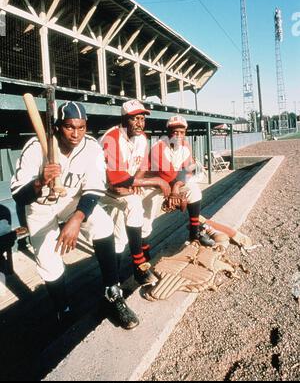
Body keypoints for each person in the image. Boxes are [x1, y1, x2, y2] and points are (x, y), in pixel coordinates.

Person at [11, 101, 139, 330]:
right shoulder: (35, 147)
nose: (76, 133)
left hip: (70, 201)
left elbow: (94, 189)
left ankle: (113, 294)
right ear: (58, 127)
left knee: (102, 224)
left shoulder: (91, 147)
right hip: (40, 207)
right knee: (49, 262)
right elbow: (19, 196)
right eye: (70, 127)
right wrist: (40, 181)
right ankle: (63, 311)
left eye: (81, 127)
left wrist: (77, 219)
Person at [100, 100, 171, 286]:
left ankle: (120, 277)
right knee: (132, 206)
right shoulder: (112, 138)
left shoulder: (142, 137)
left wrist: (138, 181)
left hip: (126, 186)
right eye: (135, 119)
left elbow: (142, 166)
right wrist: (156, 180)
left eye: (142, 118)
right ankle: (138, 264)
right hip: (101, 189)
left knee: (122, 232)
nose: (140, 123)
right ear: (124, 119)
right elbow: (115, 179)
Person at [144, 115, 215, 248]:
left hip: (173, 181)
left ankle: (194, 235)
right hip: (154, 183)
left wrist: (176, 187)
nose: (178, 135)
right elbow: (167, 174)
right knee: (146, 217)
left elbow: (187, 171)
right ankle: (143, 255)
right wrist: (174, 191)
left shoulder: (185, 145)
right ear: (168, 132)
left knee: (194, 192)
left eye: (182, 132)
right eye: (175, 132)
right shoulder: (158, 147)